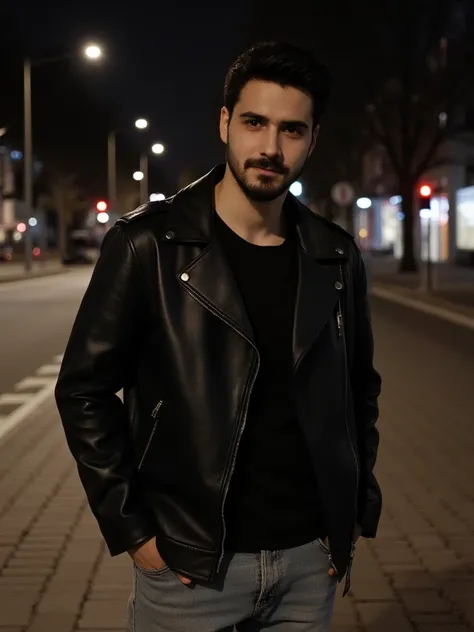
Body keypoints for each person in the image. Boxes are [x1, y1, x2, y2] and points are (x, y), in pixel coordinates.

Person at [55, 40, 382, 632]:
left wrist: (355, 510)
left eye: (292, 130)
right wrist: (132, 530)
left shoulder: (335, 255)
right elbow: (83, 391)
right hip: (191, 564)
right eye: (255, 122)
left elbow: (359, 390)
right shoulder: (146, 246)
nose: (270, 148)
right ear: (225, 122)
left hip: (311, 564)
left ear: (312, 138)